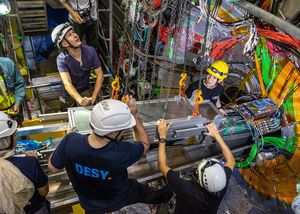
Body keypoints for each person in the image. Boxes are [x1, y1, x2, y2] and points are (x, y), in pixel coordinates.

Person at [48, 96, 173, 213]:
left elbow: (52, 168)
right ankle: (169, 193)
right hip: (118, 198)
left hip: (89, 203)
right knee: (143, 192)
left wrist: (66, 141)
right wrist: (134, 115)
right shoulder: (121, 152)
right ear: (112, 132)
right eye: (122, 129)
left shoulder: (70, 141)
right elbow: (145, 143)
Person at [157, 119, 235, 214]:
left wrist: (162, 137)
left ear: (200, 180)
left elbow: (162, 166)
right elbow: (231, 161)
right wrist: (217, 135)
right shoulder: (221, 184)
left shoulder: (186, 190)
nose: (203, 160)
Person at [0, 111, 49, 214]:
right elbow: (44, 192)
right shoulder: (29, 163)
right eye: (14, 134)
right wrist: (32, 162)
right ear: (8, 140)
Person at [51, 22, 104, 111]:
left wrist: (94, 97)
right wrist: (80, 100)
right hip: (69, 94)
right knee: (69, 115)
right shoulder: (62, 59)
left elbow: (100, 75)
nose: (75, 35)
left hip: (85, 90)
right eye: (69, 35)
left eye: (74, 32)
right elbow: (67, 83)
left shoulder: (90, 51)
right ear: (64, 44)